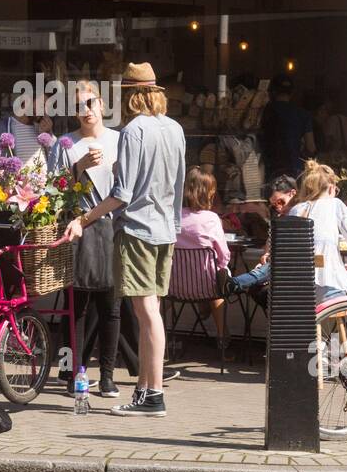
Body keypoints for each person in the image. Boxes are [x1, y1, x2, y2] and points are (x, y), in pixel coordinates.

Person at [63, 62, 185, 417]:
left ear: (132, 95)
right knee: (151, 313)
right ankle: (145, 391)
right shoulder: (175, 129)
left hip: (136, 230)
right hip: (165, 231)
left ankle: (154, 395)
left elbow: (122, 193)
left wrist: (83, 219)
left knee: (146, 313)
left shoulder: (134, 131)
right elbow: (177, 186)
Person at [49, 80, 123, 396]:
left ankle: (107, 376)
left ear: (103, 105)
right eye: (79, 105)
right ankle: (74, 373)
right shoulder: (65, 144)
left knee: (112, 307)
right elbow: (52, 193)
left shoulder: (120, 140)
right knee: (75, 308)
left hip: (112, 228)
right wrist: (78, 167)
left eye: (91, 102)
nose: (86, 110)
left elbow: (128, 187)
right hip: (77, 230)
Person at [288, 159, 347, 303]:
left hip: (298, 290)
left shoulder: (296, 210)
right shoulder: (335, 205)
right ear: (330, 188)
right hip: (329, 288)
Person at [175, 168, 232, 349]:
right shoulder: (212, 219)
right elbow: (224, 256)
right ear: (209, 193)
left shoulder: (174, 216)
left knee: (158, 300)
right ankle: (223, 336)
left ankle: (153, 335)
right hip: (207, 285)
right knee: (218, 288)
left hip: (175, 285)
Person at [222, 175, 296, 301]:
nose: (278, 207)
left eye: (280, 201)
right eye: (273, 205)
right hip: (278, 268)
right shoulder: (279, 217)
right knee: (256, 290)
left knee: (274, 267)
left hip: (294, 269)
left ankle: (234, 283)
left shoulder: (301, 214)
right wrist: (266, 254)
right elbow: (271, 238)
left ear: (292, 194)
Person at [259, 74, 315, 180]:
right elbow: (311, 147)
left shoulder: (264, 112)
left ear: (272, 92)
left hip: (271, 168)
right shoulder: (303, 114)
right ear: (292, 93)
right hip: (295, 168)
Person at [0, 99, 53, 163]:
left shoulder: (43, 128)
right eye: (41, 105)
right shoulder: (0, 129)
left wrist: (49, 133)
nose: (44, 111)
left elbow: (54, 158)